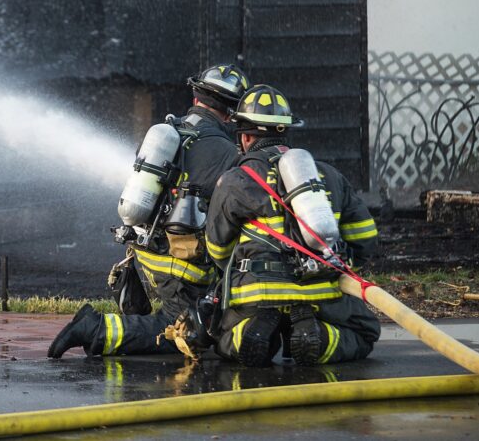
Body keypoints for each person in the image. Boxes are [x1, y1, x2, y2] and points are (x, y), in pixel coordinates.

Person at [47, 64, 250, 359]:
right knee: (182, 331)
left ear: (195, 98)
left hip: (145, 255)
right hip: (181, 266)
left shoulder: (168, 132)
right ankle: (95, 329)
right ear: (233, 113)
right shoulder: (226, 152)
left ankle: (103, 322)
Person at [205, 84, 380, 367]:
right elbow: (366, 238)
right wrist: (342, 269)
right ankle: (320, 338)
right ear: (285, 131)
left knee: (219, 334)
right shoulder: (328, 175)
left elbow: (217, 249)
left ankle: (249, 332)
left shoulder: (233, 181)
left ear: (246, 137)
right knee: (365, 332)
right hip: (321, 292)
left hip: (257, 294)